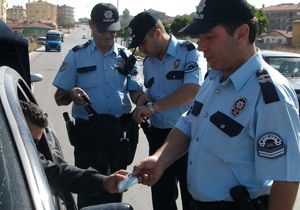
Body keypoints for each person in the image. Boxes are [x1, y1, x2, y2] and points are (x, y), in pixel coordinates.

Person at [133, 0, 300, 210]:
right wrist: (160, 159)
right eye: (199, 38)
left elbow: (285, 178)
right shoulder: (214, 79)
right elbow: (188, 124)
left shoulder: (270, 94)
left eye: (209, 37)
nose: (201, 46)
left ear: (241, 34)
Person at [52, 3, 143, 208]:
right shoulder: (76, 55)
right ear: (92, 25)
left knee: (117, 191)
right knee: (88, 192)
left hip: (119, 135)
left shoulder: (126, 57)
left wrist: (142, 103)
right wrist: (70, 93)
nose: (109, 35)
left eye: (113, 29)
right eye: (103, 29)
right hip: (88, 137)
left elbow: (136, 91)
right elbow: (59, 98)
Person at [127, 12, 207, 210]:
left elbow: (191, 90)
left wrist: (154, 107)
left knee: (193, 197)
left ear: (157, 33)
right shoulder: (148, 63)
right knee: (161, 197)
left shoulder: (189, 52)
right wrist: (143, 99)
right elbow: (151, 94)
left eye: (144, 43)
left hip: (189, 137)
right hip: (159, 136)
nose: (142, 49)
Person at [20, 100, 133, 210]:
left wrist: (103, 182)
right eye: (25, 137)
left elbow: (59, 172)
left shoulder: (27, 156)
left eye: (34, 143)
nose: (31, 147)